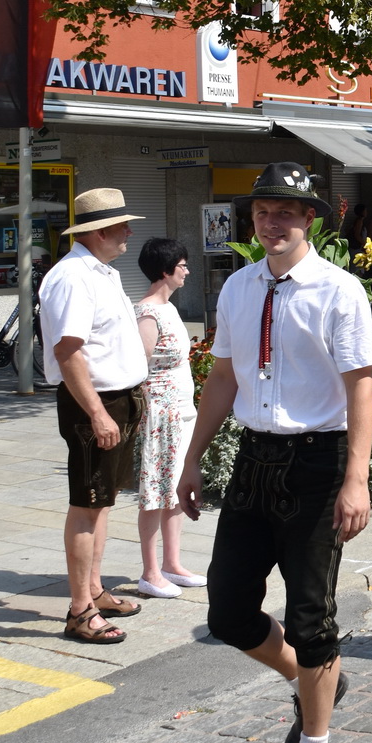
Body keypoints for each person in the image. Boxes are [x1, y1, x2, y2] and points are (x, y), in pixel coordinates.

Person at [178, 161, 372, 743]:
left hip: (319, 464)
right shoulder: (237, 287)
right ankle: (314, 680)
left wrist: (356, 479)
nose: (273, 221)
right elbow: (221, 381)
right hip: (255, 460)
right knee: (228, 612)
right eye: (264, 211)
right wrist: (190, 460)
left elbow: (360, 386)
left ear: (311, 219)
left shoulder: (338, 290)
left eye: (287, 211)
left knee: (311, 615)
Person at [38, 188, 149, 645]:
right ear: (100, 231)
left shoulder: (100, 271)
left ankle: (94, 590)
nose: (128, 232)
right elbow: (68, 354)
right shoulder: (73, 277)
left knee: (102, 500)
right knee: (87, 504)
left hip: (115, 401)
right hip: (95, 405)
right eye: (123, 225)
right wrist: (100, 415)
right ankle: (80, 610)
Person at [134, 238, 204, 599]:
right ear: (165, 270)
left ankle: (172, 563)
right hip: (162, 413)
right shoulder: (148, 312)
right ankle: (149, 571)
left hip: (181, 410)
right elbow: (137, 366)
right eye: (182, 265)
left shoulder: (169, 308)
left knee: (175, 488)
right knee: (155, 491)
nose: (187, 271)